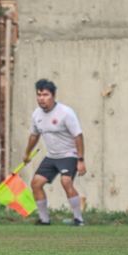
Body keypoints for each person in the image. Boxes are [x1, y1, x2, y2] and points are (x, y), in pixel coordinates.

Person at [23, 79, 86, 226]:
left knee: (66, 181)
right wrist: (26, 153)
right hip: (51, 156)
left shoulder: (66, 113)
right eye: (39, 95)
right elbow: (34, 135)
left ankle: (78, 219)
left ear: (53, 96)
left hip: (69, 155)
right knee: (36, 183)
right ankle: (44, 220)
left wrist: (81, 159)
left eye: (45, 95)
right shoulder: (36, 114)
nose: (41, 98)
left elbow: (78, 135)